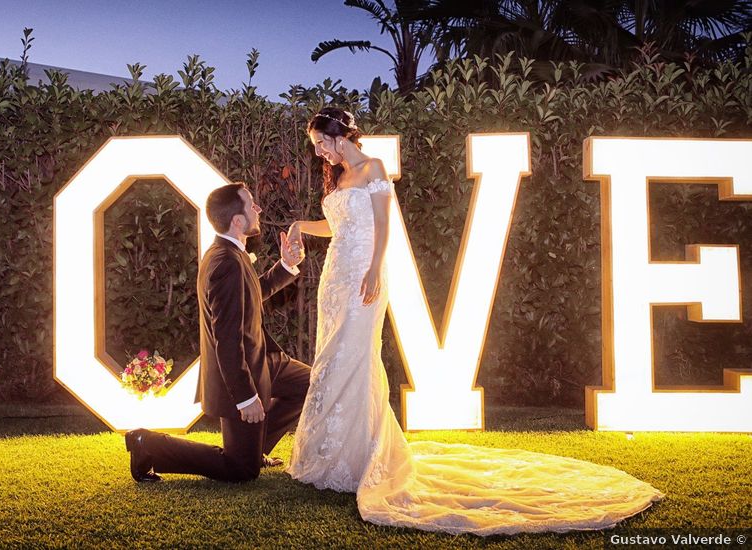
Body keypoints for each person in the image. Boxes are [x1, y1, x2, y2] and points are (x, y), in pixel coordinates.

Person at [285, 107, 664, 535]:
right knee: (333, 358)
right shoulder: (336, 178)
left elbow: (383, 225)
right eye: (315, 146)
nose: (318, 153)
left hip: (365, 277)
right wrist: (301, 225)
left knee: (357, 358)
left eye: (320, 143)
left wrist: (375, 268)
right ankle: (333, 456)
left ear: (338, 136)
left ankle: (362, 457)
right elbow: (338, 227)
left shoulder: (373, 167)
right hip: (336, 279)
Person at [125, 182, 310, 483]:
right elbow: (226, 340)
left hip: (263, 360)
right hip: (242, 373)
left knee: (312, 384)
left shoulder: (231, 253)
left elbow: (250, 294)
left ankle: (256, 447)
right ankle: (149, 446)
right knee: (241, 470)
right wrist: (246, 396)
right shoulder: (226, 263)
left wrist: (286, 266)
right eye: (252, 205)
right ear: (238, 221)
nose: (258, 209)